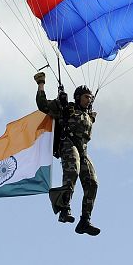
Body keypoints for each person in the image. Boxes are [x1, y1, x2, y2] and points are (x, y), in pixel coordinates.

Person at [34, 71, 101, 236]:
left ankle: (85, 221)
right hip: (67, 144)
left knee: (92, 182)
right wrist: (41, 84)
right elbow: (43, 106)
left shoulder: (88, 115)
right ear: (78, 97)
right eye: (86, 97)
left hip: (82, 150)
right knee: (73, 171)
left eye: (90, 97)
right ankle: (64, 209)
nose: (89, 100)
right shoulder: (66, 108)